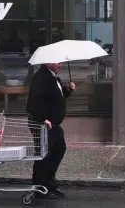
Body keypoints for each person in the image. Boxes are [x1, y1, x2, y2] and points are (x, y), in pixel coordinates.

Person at [26, 63, 75, 199]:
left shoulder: (53, 78)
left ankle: (49, 184)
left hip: (53, 124)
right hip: (43, 124)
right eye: (57, 62)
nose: (59, 65)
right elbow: (34, 101)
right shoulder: (41, 78)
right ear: (48, 62)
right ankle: (39, 187)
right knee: (43, 155)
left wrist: (68, 90)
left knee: (59, 149)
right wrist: (42, 119)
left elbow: (57, 98)